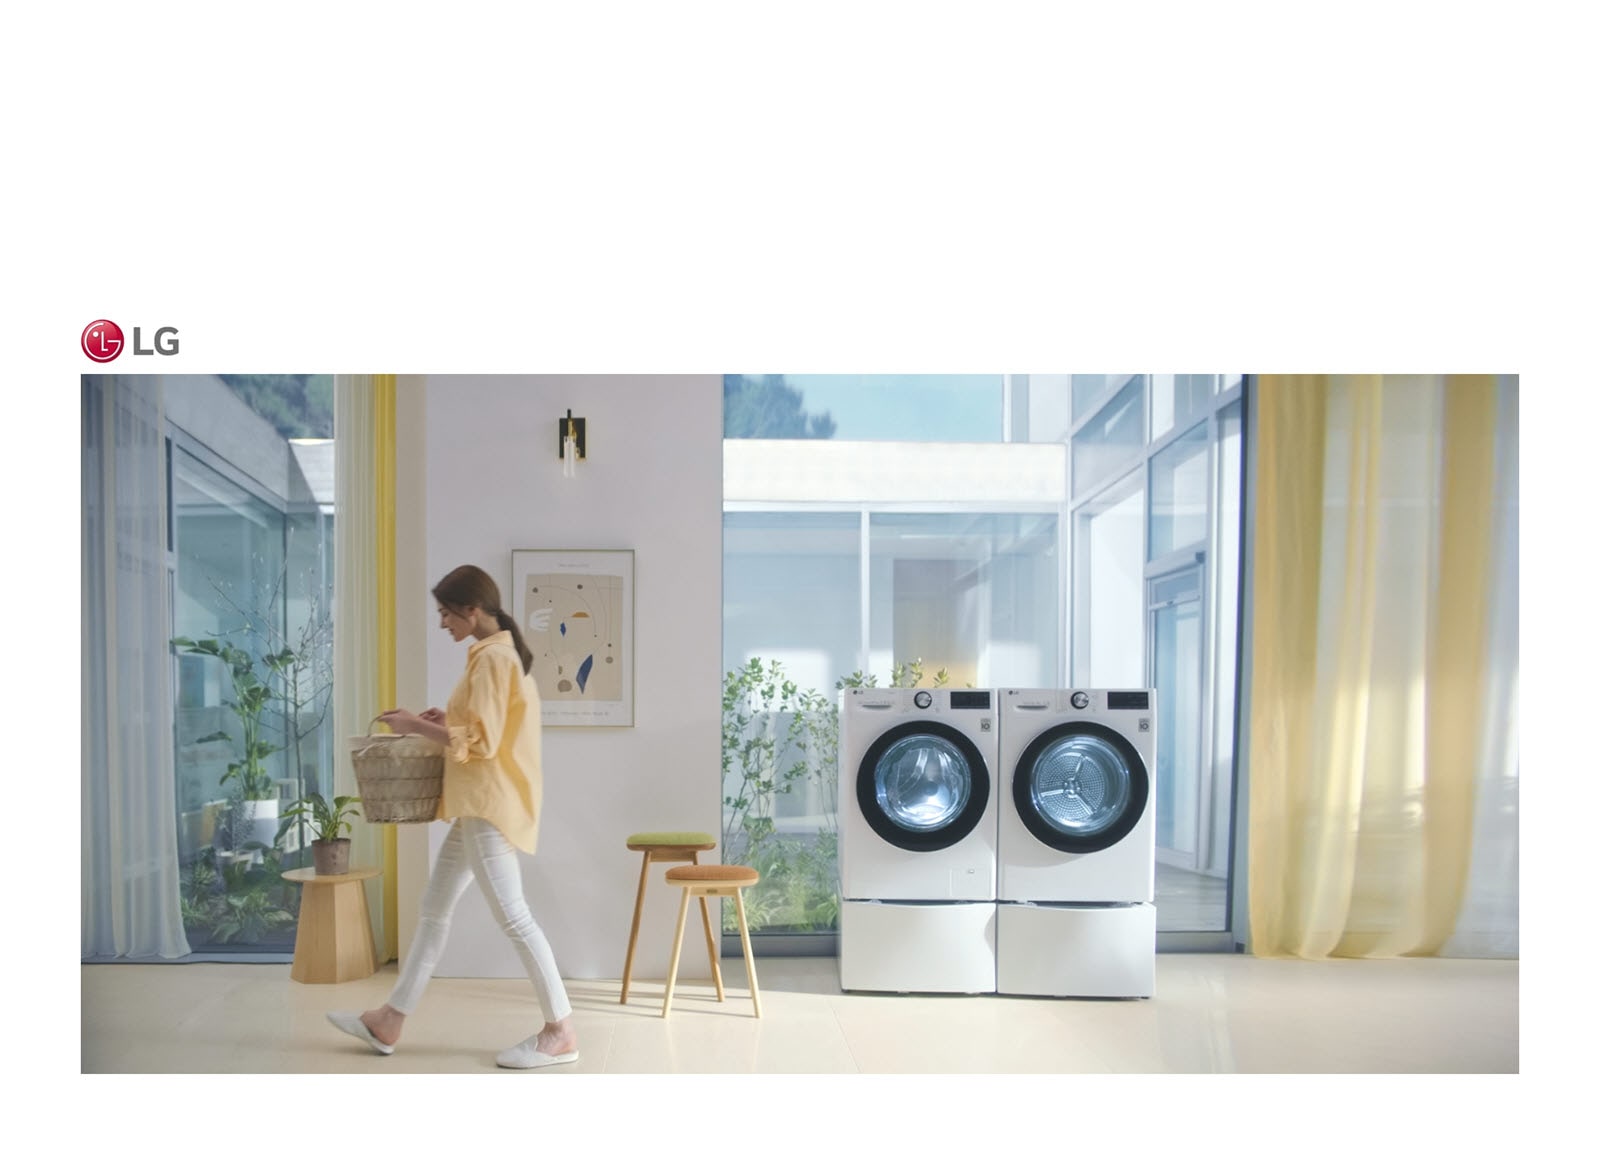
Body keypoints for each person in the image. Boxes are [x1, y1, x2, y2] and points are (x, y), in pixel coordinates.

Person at [327, 564, 578, 1069]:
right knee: (434, 909)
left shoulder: (493, 660)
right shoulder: (494, 656)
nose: (442, 623)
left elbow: (481, 745)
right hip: (476, 805)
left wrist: (416, 726)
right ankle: (389, 1020)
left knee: (514, 917)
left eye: (446, 612)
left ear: (471, 609)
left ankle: (561, 1030)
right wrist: (444, 722)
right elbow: (484, 729)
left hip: (488, 804)